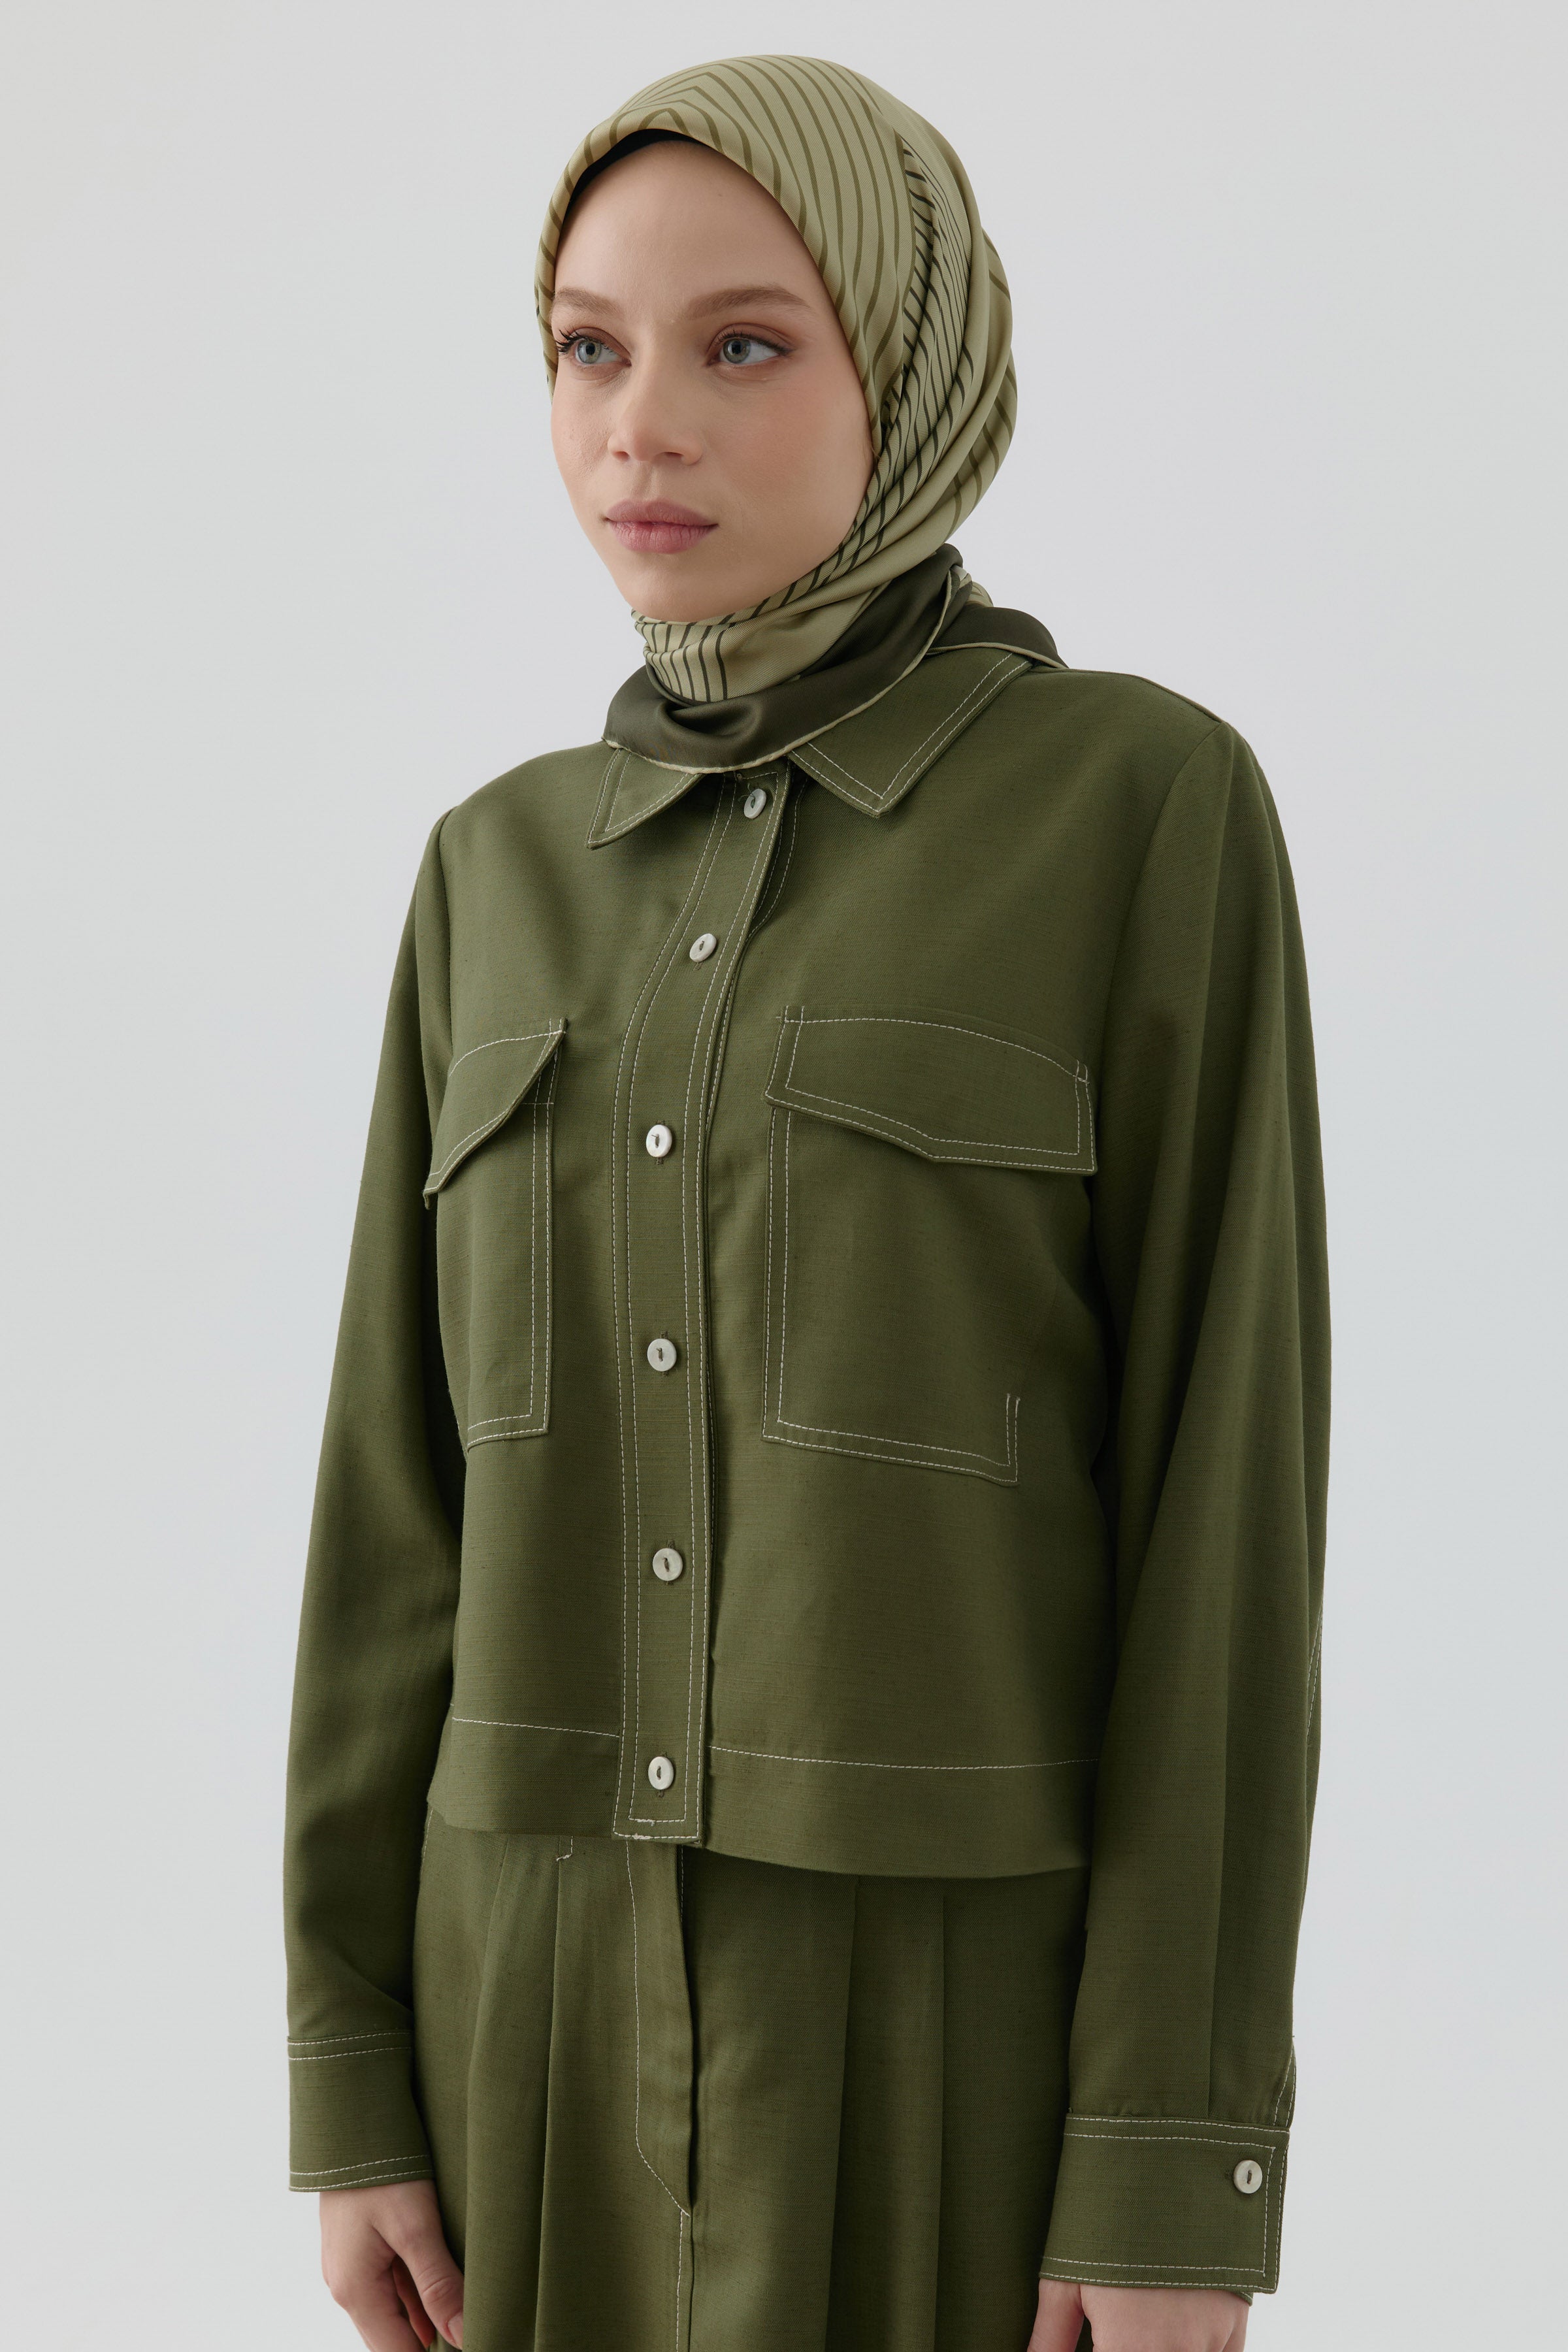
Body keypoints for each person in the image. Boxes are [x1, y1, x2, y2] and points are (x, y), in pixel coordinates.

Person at [283, 54, 1328, 2352]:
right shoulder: (488, 873)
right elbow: (391, 1519)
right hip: (521, 2033)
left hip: (959, 2037)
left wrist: (1172, 2165)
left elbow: (1224, 1521)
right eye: (587, 348)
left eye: (743, 344)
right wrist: (352, 2075)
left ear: (912, 375)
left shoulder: (1140, 809)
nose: (638, 426)